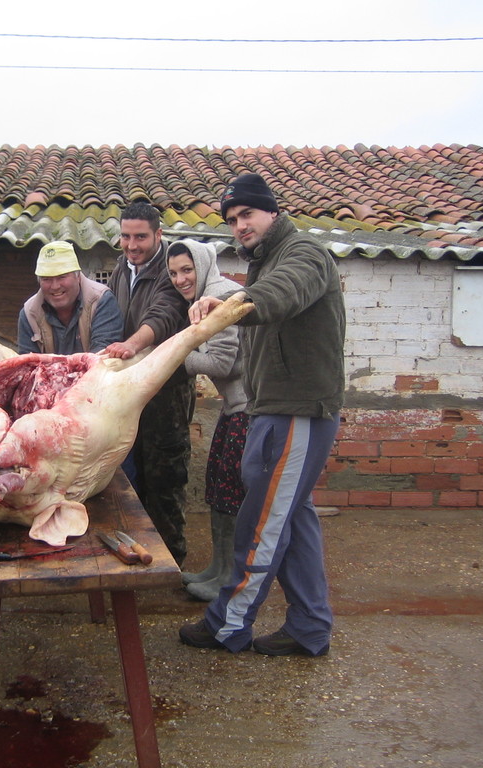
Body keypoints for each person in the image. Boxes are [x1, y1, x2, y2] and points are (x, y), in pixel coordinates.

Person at [178, 173, 345, 656]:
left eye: (246, 214)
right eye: (231, 220)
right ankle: (309, 626)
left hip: (298, 411)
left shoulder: (304, 255)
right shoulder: (266, 262)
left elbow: (282, 293)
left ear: (271, 212)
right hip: (272, 409)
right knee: (292, 517)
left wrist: (231, 305)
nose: (239, 225)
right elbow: (267, 292)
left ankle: (227, 623)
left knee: (263, 520)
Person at [104, 202, 194, 565]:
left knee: (165, 480)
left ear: (158, 235)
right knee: (128, 477)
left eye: (140, 236)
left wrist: (130, 345)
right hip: (128, 393)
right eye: (125, 236)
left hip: (164, 393)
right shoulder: (121, 271)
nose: (132, 244)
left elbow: (164, 315)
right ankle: (139, 555)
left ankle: (173, 562)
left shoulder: (169, 270)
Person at [166, 239, 250, 602]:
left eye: (187, 270)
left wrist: (174, 356)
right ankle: (217, 568)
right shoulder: (203, 297)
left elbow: (222, 364)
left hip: (250, 408)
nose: (181, 279)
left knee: (230, 489)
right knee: (218, 485)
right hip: (235, 408)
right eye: (173, 273)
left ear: (202, 264)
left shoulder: (223, 295)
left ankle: (229, 577)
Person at [17, 240, 124, 354]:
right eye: (46, 279)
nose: (55, 286)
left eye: (62, 277)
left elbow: (102, 357)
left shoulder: (101, 301)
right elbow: (28, 363)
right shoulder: (29, 313)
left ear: (77, 276)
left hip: (94, 371)